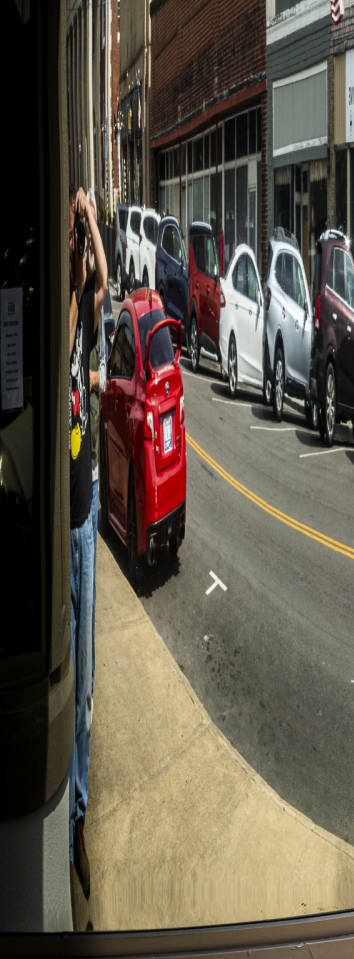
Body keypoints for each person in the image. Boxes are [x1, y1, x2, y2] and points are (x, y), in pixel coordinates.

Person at [68, 184, 107, 900]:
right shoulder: (60, 326)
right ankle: (72, 819)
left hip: (89, 501)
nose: (81, 259)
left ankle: (77, 803)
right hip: (68, 519)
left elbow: (104, 281)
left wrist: (93, 223)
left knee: (89, 674)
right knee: (72, 682)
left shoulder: (86, 318)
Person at [86, 189, 106, 699]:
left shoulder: (88, 305)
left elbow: (104, 278)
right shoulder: (77, 310)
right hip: (81, 483)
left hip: (89, 480)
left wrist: (88, 219)